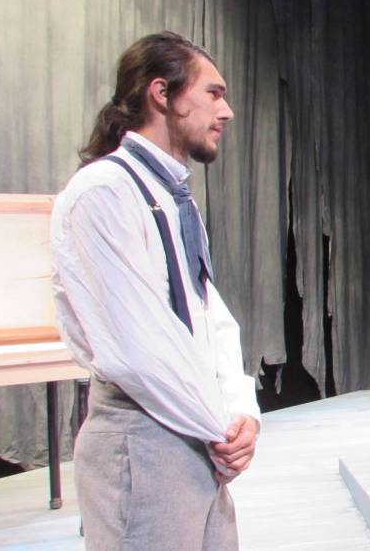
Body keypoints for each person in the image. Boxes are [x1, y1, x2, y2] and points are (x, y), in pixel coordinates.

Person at [51, 32, 260, 549]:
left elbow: (210, 318)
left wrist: (242, 414)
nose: (226, 111)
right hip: (144, 439)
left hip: (194, 435)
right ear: (162, 94)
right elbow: (136, 351)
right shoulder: (103, 194)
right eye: (213, 93)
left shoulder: (172, 198)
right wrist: (218, 428)